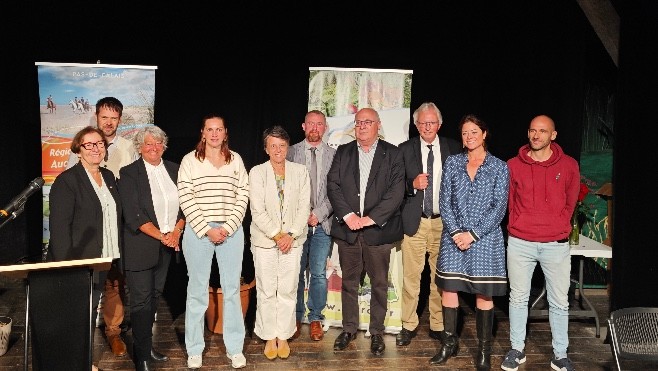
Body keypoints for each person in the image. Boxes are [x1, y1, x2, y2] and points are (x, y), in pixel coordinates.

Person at [430, 114, 509, 371]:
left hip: (485, 239)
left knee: (483, 294)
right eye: (465, 133)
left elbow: (499, 208)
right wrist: (455, 232)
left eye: (474, 131)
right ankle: (449, 345)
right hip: (453, 237)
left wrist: (472, 234)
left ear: (484, 134)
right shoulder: (452, 163)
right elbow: (445, 201)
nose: (469, 137)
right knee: (449, 290)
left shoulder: (499, 166)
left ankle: (484, 351)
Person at [501, 115, 580, 371]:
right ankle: (517, 349)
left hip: (555, 243)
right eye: (533, 130)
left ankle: (560, 354)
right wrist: (519, 224)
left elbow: (571, 201)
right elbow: (510, 202)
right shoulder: (512, 165)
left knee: (559, 301)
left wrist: (559, 224)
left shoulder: (568, 165)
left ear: (553, 136)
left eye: (542, 131)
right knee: (518, 298)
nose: (536, 135)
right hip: (521, 242)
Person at [327, 107, 405, 356]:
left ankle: (377, 332)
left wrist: (370, 219)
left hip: (377, 232)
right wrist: (349, 216)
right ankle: (348, 329)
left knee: (380, 284)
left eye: (367, 122)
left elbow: (396, 192)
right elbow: (333, 185)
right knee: (350, 283)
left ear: (378, 125)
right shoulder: (343, 152)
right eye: (358, 122)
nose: (361, 126)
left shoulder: (392, 153)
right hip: (348, 230)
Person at [64, 96, 137, 357]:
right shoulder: (82, 146)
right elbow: (69, 188)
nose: (108, 122)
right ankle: (77, 341)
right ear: (97, 117)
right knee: (88, 288)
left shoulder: (128, 147)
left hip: (117, 228)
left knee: (115, 285)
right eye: (104, 117)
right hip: (89, 234)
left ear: (119, 119)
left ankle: (114, 333)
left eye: (113, 117)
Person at [177, 114, 250, 369]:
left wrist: (228, 227)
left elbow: (243, 195)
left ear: (225, 133)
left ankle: (235, 348)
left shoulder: (236, 160)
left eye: (219, 129)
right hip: (199, 233)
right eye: (210, 129)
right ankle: (195, 349)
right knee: (197, 292)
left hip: (231, 232)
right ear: (203, 133)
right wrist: (208, 230)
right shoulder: (190, 161)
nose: (215, 134)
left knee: (231, 290)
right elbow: (185, 198)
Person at [48, 126, 122, 371]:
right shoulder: (67, 181)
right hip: (79, 262)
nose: (95, 149)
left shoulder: (109, 177)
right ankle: (76, 362)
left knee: (88, 315)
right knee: (79, 316)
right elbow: (59, 231)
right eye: (88, 145)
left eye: (99, 143)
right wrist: (67, 267)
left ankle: (81, 360)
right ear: (78, 150)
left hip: (105, 259)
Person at [117, 126, 185, 371]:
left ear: (164, 146)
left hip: (166, 247)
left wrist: (176, 232)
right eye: (148, 144)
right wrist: (163, 236)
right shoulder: (129, 173)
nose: (154, 148)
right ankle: (141, 355)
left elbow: (185, 207)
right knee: (141, 301)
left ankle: (147, 347)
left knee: (154, 297)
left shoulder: (175, 170)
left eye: (158, 143)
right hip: (140, 247)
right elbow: (133, 214)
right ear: (139, 147)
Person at [396, 102, 461, 347]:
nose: (427, 126)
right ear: (416, 125)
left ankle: (438, 324)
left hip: (444, 224)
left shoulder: (454, 149)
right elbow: (394, 187)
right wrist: (411, 184)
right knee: (411, 277)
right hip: (415, 222)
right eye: (422, 122)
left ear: (439, 124)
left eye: (431, 122)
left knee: (439, 278)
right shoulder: (404, 149)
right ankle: (408, 324)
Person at [249, 125, 310, 360]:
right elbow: (257, 209)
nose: (277, 150)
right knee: (266, 290)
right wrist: (277, 235)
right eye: (273, 145)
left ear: (288, 147)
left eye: (282, 145)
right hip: (265, 241)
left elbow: (304, 206)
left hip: (292, 242)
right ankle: (268, 336)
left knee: (287, 288)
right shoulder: (257, 172)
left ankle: (283, 335)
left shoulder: (300, 171)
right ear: (266, 148)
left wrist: (291, 235)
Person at [286, 110, 336, 341]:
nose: (315, 128)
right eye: (311, 124)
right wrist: (301, 215)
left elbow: (337, 190)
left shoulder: (334, 155)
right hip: (295, 227)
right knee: (295, 273)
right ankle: (295, 317)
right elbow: (283, 188)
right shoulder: (290, 152)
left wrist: (318, 213)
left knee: (317, 274)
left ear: (325, 127)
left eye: (319, 124)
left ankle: (315, 318)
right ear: (303, 126)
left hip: (322, 225)